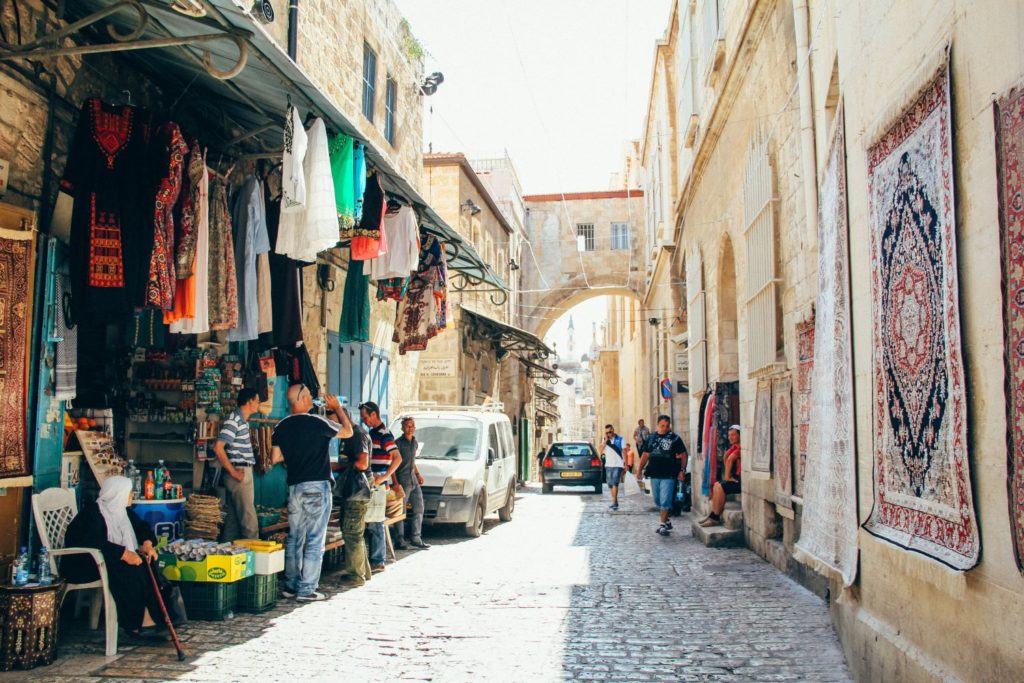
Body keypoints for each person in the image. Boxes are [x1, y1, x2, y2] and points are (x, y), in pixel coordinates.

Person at [271, 384, 352, 601]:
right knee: (315, 539)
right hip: (317, 486)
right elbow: (348, 431)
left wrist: (296, 456)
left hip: (295, 487)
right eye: (309, 396)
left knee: (295, 538)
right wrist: (338, 408)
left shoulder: (281, 426)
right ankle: (307, 589)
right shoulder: (318, 422)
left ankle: (290, 586)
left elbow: (275, 458)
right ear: (304, 399)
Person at [63, 476, 165, 637]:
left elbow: (142, 527)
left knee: (148, 563)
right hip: (86, 565)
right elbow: (90, 541)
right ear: (118, 494)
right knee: (130, 570)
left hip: (106, 560)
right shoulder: (92, 514)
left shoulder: (123, 512)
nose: (132, 495)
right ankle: (134, 623)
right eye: (129, 492)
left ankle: (154, 615)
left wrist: (147, 544)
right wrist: (123, 554)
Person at [213, 387, 261, 541]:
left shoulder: (242, 421)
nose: (259, 404)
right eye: (257, 400)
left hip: (241, 471)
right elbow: (218, 448)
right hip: (239, 472)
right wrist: (234, 472)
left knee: (233, 523)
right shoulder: (234, 420)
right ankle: (255, 559)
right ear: (249, 401)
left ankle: (229, 556)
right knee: (249, 521)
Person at [359, 401, 402, 573]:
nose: (363, 420)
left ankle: (378, 560)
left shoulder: (385, 435)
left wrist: (384, 477)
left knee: (376, 521)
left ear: (374, 415)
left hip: (379, 485)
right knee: (372, 520)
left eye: (365, 417)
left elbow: (397, 458)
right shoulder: (372, 433)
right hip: (373, 483)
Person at [333, 409, 374, 588]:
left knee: (352, 533)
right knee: (355, 533)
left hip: (357, 491)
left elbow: (362, 463)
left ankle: (356, 575)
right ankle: (364, 571)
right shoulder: (349, 435)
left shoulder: (356, 435)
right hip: (354, 491)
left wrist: (338, 465)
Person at [638, 415, 688, 536]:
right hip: (655, 474)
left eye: (667, 426)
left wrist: (682, 470)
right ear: (657, 425)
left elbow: (683, 454)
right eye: (662, 426)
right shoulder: (651, 438)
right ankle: (667, 521)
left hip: (669, 474)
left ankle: (662, 526)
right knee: (658, 501)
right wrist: (639, 469)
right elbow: (645, 454)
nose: (665, 428)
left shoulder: (675, 438)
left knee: (665, 500)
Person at [393, 416, 429, 550]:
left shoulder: (415, 443)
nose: (410, 428)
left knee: (419, 508)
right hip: (402, 481)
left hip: (413, 480)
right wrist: (395, 483)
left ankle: (416, 538)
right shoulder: (397, 444)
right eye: (407, 426)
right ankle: (399, 540)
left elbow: (412, 462)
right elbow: (393, 465)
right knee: (400, 512)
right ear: (402, 428)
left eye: (412, 426)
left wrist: (418, 475)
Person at [700, 425, 741, 527]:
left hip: (741, 481)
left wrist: (727, 478)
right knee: (717, 485)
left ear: (740, 436)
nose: (730, 437)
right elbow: (726, 458)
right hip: (736, 477)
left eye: (733, 435)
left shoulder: (741, 448)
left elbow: (730, 459)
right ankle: (713, 515)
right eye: (729, 435)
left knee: (721, 486)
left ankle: (715, 517)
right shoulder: (734, 447)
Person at [602, 424, 627, 511]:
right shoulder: (605, 440)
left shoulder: (620, 439)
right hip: (608, 465)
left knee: (615, 483)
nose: (609, 433)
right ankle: (615, 502)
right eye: (607, 432)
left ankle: (613, 502)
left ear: (613, 430)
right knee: (610, 484)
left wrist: (626, 464)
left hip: (618, 464)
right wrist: (605, 441)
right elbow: (600, 450)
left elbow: (624, 451)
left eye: (610, 431)